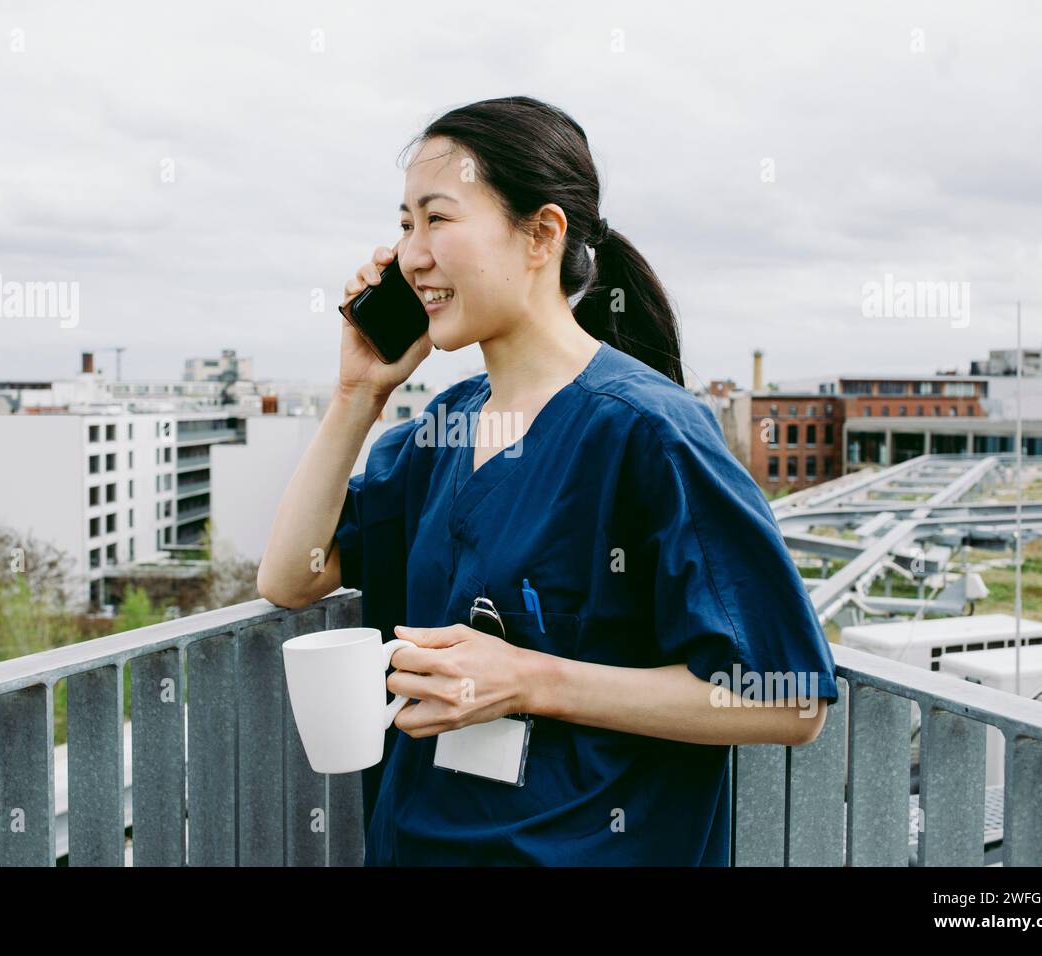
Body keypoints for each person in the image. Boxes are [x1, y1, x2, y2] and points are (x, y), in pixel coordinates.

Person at [258, 95, 839, 866]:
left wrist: (531, 680)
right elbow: (290, 578)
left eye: (438, 219)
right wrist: (356, 394)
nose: (411, 255)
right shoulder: (445, 428)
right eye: (404, 224)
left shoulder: (647, 431)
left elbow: (791, 700)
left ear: (542, 234)